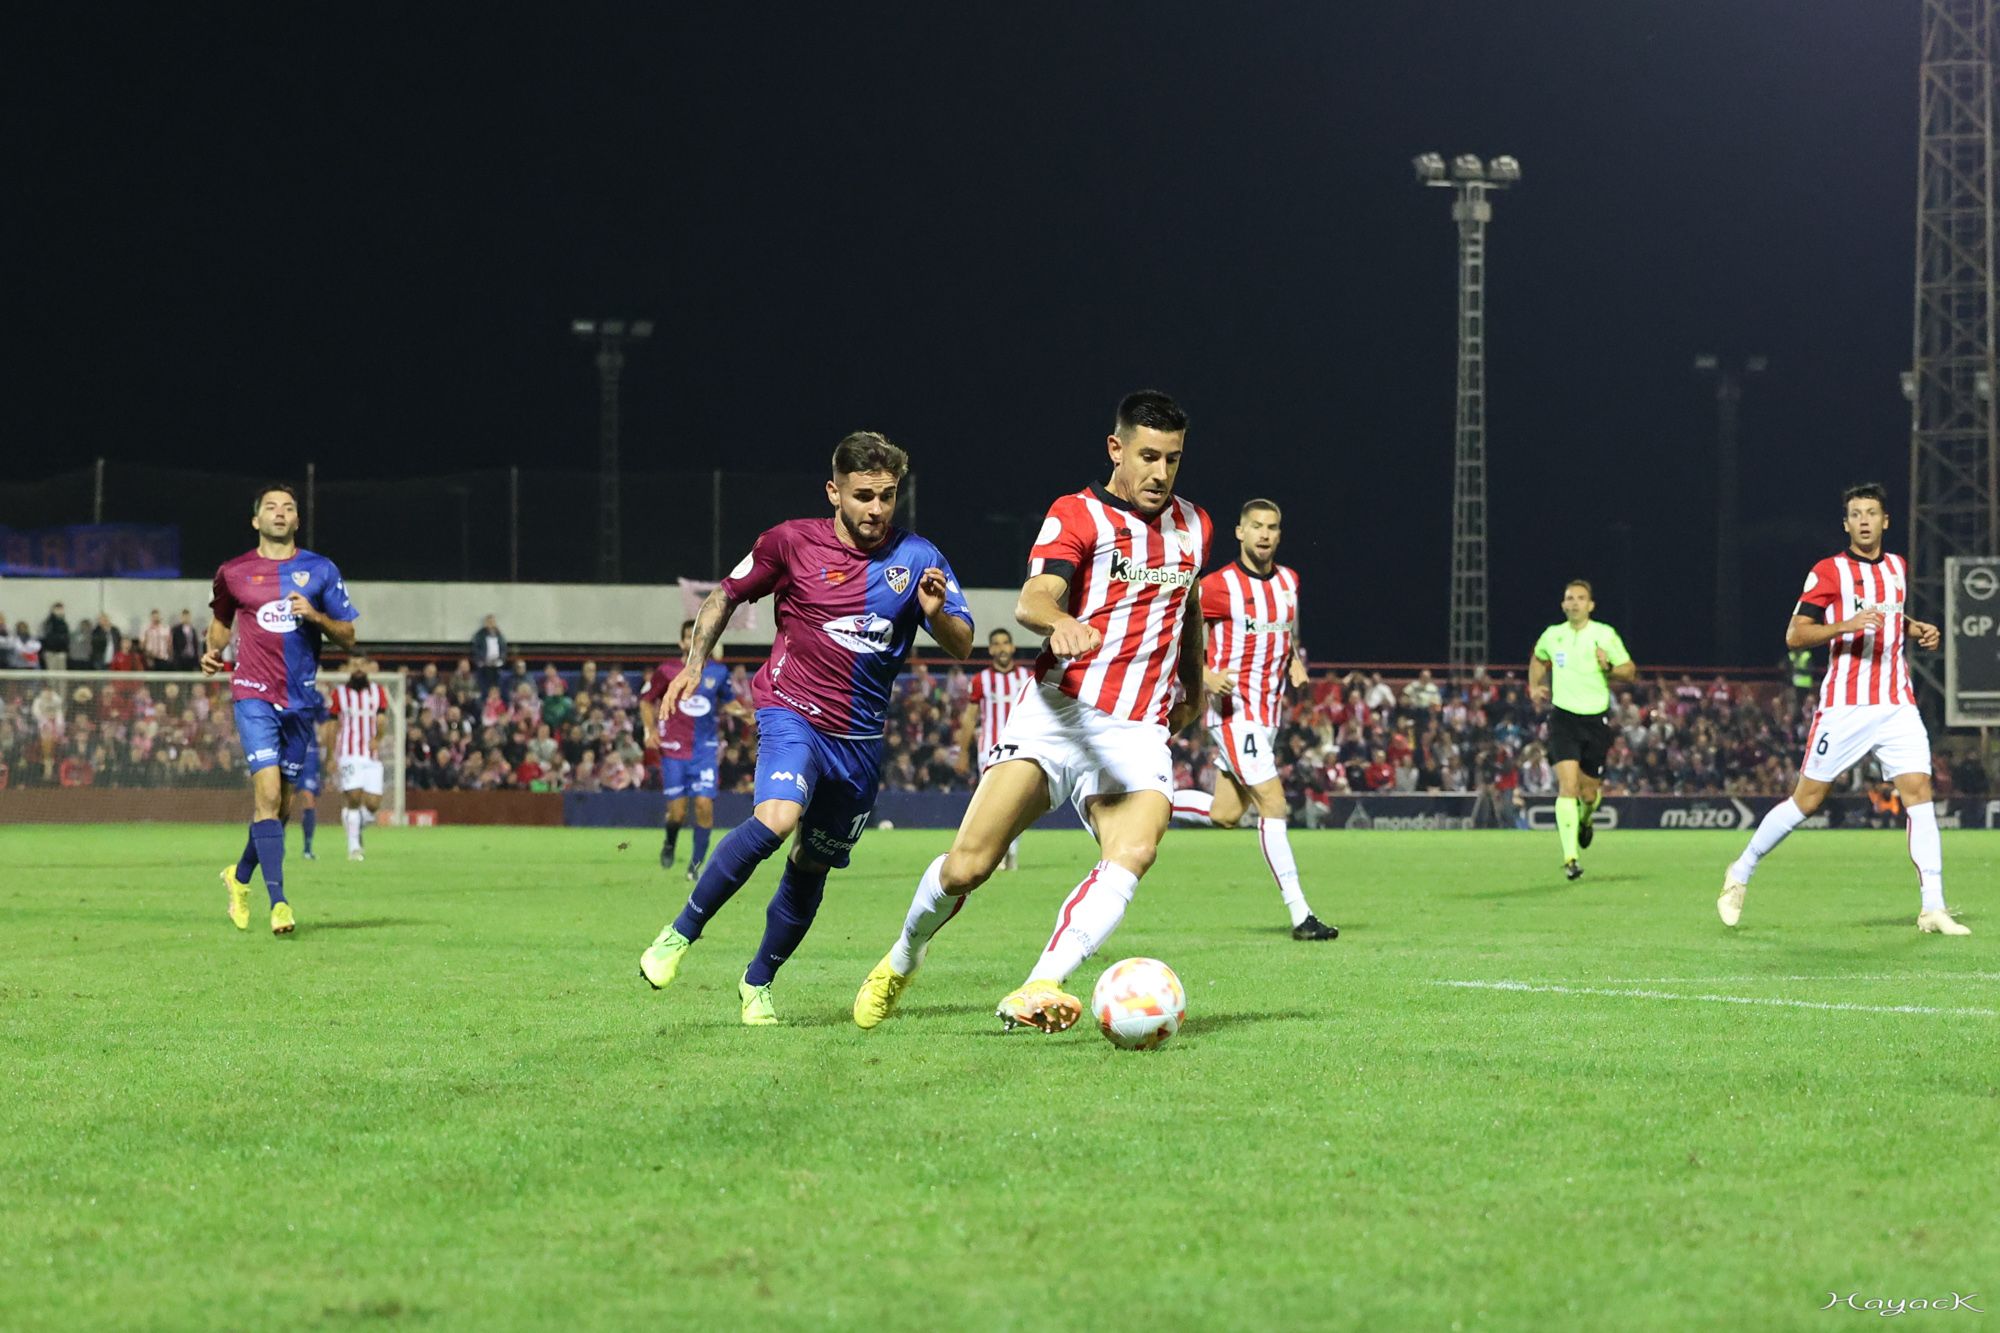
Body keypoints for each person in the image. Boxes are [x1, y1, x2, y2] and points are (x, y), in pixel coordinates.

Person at [854, 390, 1211, 1034]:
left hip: (1136, 729)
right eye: (1149, 456)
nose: (1161, 473)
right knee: (969, 866)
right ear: (1117, 449)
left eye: (1174, 460)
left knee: (1134, 848)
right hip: (1056, 717)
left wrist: (1195, 687)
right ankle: (902, 958)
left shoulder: (1195, 525)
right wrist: (1062, 621)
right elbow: (1034, 597)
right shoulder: (1075, 514)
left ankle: (1041, 981)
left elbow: (1186, 609)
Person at [636, 432, 973, 1025]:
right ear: (834, 492)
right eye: (863, 495)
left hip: (861, 743)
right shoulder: (790, 542)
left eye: (887, 497)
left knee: (812, 864)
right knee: (778, 817)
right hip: (791, 711)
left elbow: (963, 644)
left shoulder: (921, 558)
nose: (876, 509)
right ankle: (678, 934)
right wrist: (694, 665)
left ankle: (757, 982)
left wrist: (936, 613)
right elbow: (724, 595)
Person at [1720, 482, 1968, 935]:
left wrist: (1916, 629)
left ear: (1885, 520)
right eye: (1856, 514)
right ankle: (1740, 871)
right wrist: (1845, 624)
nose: (1865, 520)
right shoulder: (1828, 571)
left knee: (1918, 792)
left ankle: (1933, 905)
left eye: (1872, 512)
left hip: (1896, 703)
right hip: (1845, 706)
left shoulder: (1897, 566)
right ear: (1846, 523)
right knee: (1807, 801)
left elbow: (1891, 616)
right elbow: (1795, 635)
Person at [1166, 498, 1336, 939]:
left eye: (1272, 526)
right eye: (1256, 526)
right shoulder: (1218, 586)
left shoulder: (1289, 583)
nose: (1264, 533)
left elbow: (1285, 634)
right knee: (1274, 804)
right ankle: (1302, 916)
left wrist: (1294, 660)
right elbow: (1171, 632)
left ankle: (1146, 800)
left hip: (1268, 714)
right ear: (1239, 532)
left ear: (1280, 534)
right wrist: (1203, 673)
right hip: (1232, 714)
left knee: (1226, 813)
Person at [204, 482, 358, 936]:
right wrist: (212, 652)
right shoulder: (232, 573)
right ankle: (280, 904)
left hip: (301, 700)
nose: (279, 513)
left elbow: (348, 635)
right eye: (270, 507)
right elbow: (220, 624)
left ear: (296, 520)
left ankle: (239, 875)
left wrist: (315, 616)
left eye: (288, 507)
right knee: (267, 796)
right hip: (253, 694)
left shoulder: (321, 570)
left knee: (281, 807)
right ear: (256, 520)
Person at [1527, 579, 1636, 880]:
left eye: (1580, 598)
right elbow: (1538, 658)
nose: (1574, 603)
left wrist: (1608, 668)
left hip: (1595, 721)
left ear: (1590, 605)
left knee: (1588, 794)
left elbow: (1629, 671)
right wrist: (1534, 686)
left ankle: (1586, 819)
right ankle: (1570, 858)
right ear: (1563, 604)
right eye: (1569, 598)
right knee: (1567, 786)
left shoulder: (1604, 635)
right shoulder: (1553, 635)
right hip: (1563, 718)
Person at [640, 618, 750, 879]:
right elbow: (646, 701)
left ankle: (696, 866)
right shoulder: (666, 671)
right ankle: (670, 841)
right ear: (681, 642)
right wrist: (649, 730)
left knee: (703, 805)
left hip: (704, 750)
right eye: (690, 637)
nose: (694, 642)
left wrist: (748, 714)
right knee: (677, 813)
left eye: (700, 637)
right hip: (673, 750)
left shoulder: (718, 673)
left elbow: (729, 703)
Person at [955, 627, 1037, 870]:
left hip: (1023, 747)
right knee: (992, 803)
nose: (1002, 648)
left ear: (1012, 647)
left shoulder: (1028, 677)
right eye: (997, 644)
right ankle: (998, 853)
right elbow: (970, 718)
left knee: (1019, 802)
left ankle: (1011, 850)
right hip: (989, 750)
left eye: (1006, 643)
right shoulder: (981, 680)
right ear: (991, 650)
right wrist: (962, 752)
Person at [326, 657, 390, 861]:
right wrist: (330, 755)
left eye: (362, 664)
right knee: (353, 796)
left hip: (371, 756)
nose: (359, 668)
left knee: (373, 804)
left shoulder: (378, 692)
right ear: (348, 669)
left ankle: (354, 823)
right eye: (355, 665)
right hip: (348, 752)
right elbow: (333, 727)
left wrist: (378, 739)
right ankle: (354, 848)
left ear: (369, 667)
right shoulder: (339, 694)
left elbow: (381, 719)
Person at [471, 615, 506, 696]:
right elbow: (476, 648)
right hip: (484, 665)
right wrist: (481, 660)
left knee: (497, 685)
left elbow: (503, 648)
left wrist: (501, 660)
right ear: (485, 623)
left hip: (497, 665)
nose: (491, 624)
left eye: (492, 622)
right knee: (485, 686)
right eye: (489, 622)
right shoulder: (480, 635)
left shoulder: (499, 634)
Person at [40, 604, 70, 671]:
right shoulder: (48, 623)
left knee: (62, 673)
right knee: (51, 673)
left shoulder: (64, 623)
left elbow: (66, 637)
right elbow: (47, 637)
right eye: (58, 609)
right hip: (51, 652)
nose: (60, 611)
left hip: (61, 652)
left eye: (61, 609)